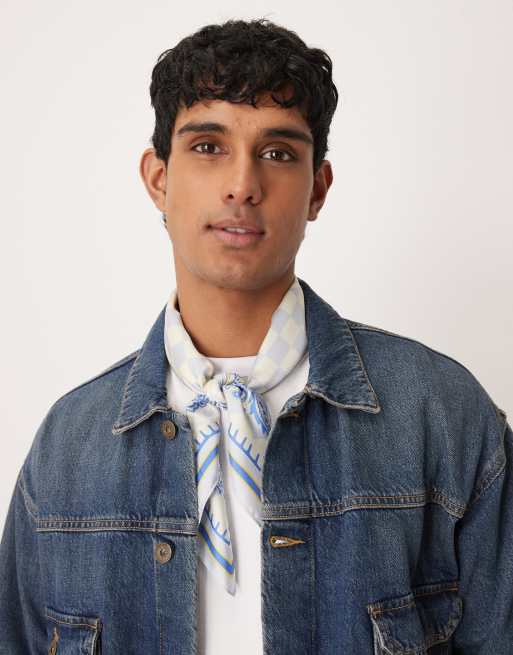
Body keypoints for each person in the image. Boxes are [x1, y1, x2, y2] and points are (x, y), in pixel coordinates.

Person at [0, 16, 511, 655]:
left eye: (277, 153)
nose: (243, 185)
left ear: (317, 189)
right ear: (159, 179)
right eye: (207, 146)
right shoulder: (67, 449)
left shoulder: (441, 416)